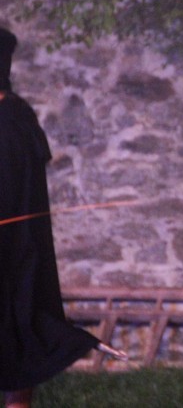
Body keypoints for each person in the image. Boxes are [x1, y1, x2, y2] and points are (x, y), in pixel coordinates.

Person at [0, 27, 100, 408]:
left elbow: (12, 193)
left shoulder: (10, 123)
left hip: (14, 256)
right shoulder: (17, 117)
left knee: (18, 342)